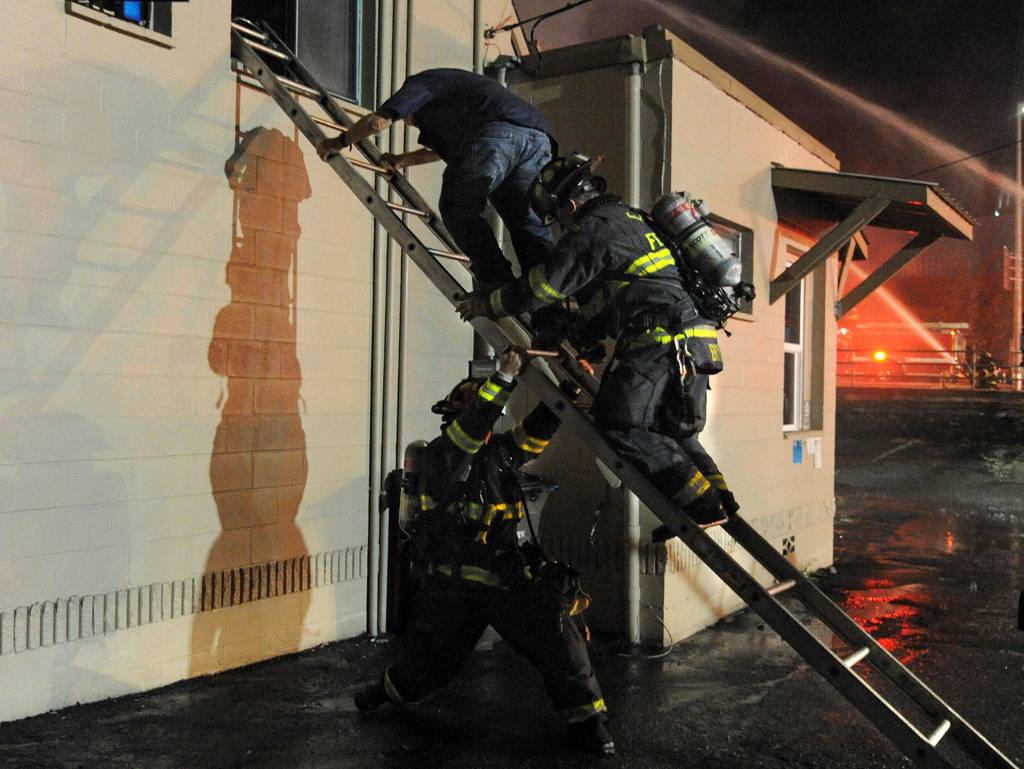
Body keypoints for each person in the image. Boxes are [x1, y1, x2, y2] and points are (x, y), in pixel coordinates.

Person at [354, 347, 615, 756]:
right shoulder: (444, 455)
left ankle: (590, 723)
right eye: (475, 403)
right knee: (426, 664)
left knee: (560, 642)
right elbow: (470, 432)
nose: (485, 412)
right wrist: (503, 381)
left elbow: (537, 431)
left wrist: (566, 390)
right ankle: (383, 692)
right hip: (454, 588)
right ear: (454, 415)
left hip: (507, 579)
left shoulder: (500, 453)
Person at [457, 154, 738, 531]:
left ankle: (703, 506)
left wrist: (486, 304)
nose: (561, 227)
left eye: (558, 219)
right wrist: (577, 336)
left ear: (570, 205)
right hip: (697, 343)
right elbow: (620, 298)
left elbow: (544, 287)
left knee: (620, 424)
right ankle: (722, 500)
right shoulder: (635, 221)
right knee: (675, 431)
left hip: (660, 343)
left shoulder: (594, 230)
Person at [318, 68, 557, 289]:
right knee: (526, 221)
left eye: (408, 120)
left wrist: (339, 142)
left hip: (499, 132)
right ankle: (550, 308)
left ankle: (497, 282)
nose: (410, 125)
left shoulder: (420, 85)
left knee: (457, 207)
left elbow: (376, 122)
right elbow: (440, 152)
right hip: (539, 140)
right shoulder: (453, 106)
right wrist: (402, 160)